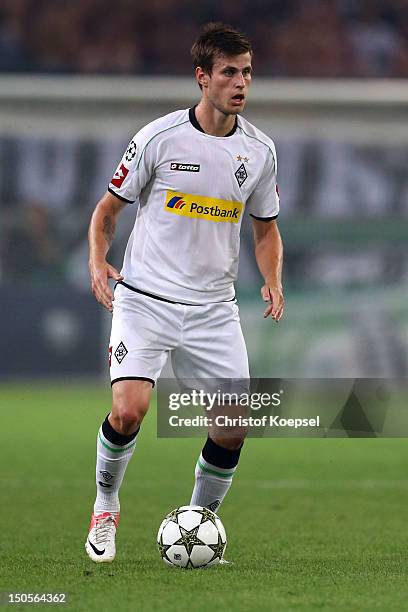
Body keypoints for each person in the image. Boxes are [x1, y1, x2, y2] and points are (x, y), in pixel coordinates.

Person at [85, 22, 284, 564]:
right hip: (145, 297)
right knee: (129, 411)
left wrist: (272, 277)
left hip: (213, 310)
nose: (240, 83)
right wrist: (98, 260)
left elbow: (265, 228)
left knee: (234, 425)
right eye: (229, 73)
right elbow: (107, 211)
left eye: (246, 73)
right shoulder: (158, 138)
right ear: (203, 78)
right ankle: (106, 506)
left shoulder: (260, 152)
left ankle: (199, 524)